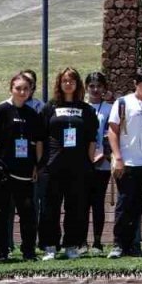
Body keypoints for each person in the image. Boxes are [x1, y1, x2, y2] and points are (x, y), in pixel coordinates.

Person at [0, 73, 44, 263]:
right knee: (1, 215)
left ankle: (28, 252)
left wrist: (36, 166)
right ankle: (2, 253)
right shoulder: (1, 110)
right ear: (11, 89)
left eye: (26, 89)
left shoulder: (32, 114)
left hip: (24, 173)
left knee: (28, 214)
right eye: (18, 88)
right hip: (2, 174)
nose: (22, 92)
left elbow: (37, 143)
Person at [38, 68, 99, 261]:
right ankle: (50, 246)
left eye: (72, 81)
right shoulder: (50, 107)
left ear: (78, 84)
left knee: (76, 207)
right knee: (50, 208)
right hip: (52, 166)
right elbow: (40, 137)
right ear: (59, 83)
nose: (68, 84)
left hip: (78, 167)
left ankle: (71, 245)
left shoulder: (86, 109)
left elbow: (91, 139)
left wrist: (90, 162)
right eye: (64, 80)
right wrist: (40, 163)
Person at [107, 67, 142, 258]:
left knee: (138, 206)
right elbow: (112, 130)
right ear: (135, 83)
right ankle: (117, 244)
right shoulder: (123, 103)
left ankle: (132, 245)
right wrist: (118, 158)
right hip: (127, 162)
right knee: (124, 204)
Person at [84, 71, 114, 256]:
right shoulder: (81, 107)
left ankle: (97, 241)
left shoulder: (109, 108)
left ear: (104, 88)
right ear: (86, 87)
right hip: (82, 162)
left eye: (99, 86)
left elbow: (114, 134)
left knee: (97, 202)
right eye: (92, 86)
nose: (95, 89)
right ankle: (80, 241)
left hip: (102, 162)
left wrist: (106, 153)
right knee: (81, 202)